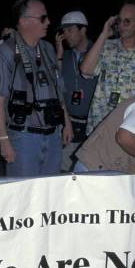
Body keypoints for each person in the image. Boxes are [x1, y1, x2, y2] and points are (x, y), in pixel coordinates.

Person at [0, 0, 73, 177]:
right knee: (24, 195)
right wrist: (3, 139)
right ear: (24, 21)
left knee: (49, 192)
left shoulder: (49, 49)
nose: (48, 22)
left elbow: (58, 91)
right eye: (43, 18)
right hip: (23, 138)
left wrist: (66, 124)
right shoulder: (4, 53)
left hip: (53, 135)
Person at [80, 2, 135, 135]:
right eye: (119, 21)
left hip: (134, 129)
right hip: (102, 125)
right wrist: (104, 34)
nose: (121, 26)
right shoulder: (106, 46)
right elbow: (85, 70)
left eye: (127, 21)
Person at [55, 11, 98, 171]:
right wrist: (58, 56)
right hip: (69, 124)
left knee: (87, 173)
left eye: (69, 30)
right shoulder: (64, 55)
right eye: (63, 31)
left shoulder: (99, 51)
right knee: (64, 172)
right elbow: (56, 84)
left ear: (83, 30)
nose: (65, 35)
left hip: (93, 124)